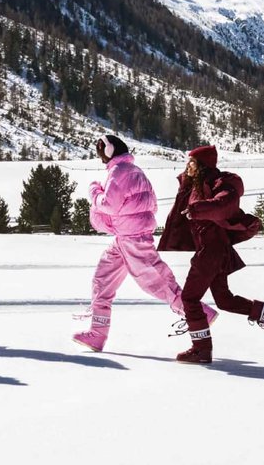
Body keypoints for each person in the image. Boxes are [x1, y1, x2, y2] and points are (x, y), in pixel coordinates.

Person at [72, 135, 218, 351]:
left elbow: (110, 205)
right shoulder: (134, 171)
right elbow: (152, 204)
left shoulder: (120, 172)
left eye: (100, 150)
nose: (99, 155)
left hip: (133, 238)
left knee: (158, 282)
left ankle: (199, 313)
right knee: (102, 280)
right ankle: (97, 334)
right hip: (125, 237)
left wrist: (94, 192)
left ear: (110, 151)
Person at [157, 145, 264, 364]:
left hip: (211, 251)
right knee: (225, 300)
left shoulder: (218, 183)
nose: (188, 166)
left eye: (192, 162)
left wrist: (197, 209)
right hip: (211, 249)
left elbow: (224, 204)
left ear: (202, 165)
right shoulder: (195, 185)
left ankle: (201, 349)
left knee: (189, 298)